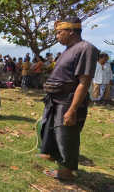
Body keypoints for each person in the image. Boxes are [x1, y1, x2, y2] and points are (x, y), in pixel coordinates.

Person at [39, 16, 99, 180]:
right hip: (55, 100)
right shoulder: (68, 50)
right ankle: (56, 160)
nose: (57, 36)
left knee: (66, 136)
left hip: (68, 101)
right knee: (51, 132)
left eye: (59, 32)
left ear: (71, 31)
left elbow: (84, 82)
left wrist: (72, 109)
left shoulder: (85, 48)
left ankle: (66, 172)